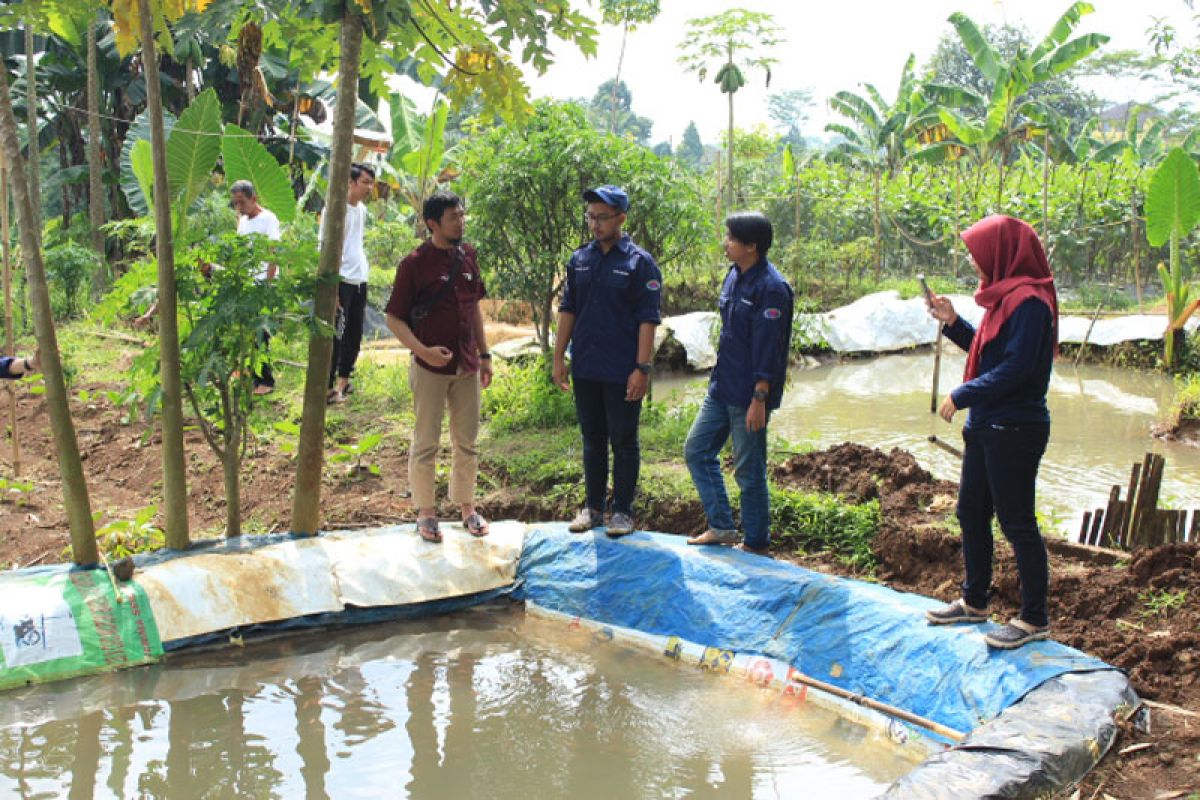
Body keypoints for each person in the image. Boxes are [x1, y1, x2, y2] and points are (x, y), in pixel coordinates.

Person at [924, 214, 1058, 650]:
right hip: (987, 424)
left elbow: (1016, 369)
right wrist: (953, 321)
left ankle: (1034, 617)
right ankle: (975, 600)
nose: (976, 266)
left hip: (1015, 427)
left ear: (1003, 255)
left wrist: (962, 394)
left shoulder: (1031, 303)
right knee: (970, 512)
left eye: (979, 258)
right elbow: (988, 351)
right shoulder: (1004, 301)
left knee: (1017, 521)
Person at [553, 185, 662, 537]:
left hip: (622, 368)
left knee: (624, 440)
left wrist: (641, 368)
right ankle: (594, 508)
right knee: (592, 438)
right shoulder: (580, 259)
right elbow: (568, 309)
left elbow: (648, 319)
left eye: (602, 218)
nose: (595, 224)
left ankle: (623, 512)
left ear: (621, 218)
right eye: (590, 217)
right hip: (586, 365)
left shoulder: (639, 263)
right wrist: (559, 357)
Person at [384, 192, 492, 543]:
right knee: (426, 440)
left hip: (468, 363)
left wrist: (485, 354)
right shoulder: (413, 264)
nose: (460, 221)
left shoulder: (469, 256)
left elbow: (474, 307)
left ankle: (467, 507)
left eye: (462, 215)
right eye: (452, 217)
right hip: (429, 368)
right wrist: (423, 351)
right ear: (433, 223)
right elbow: (394, 318)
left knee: (467, 441)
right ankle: (426, 513)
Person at [685, 212, 793, 557]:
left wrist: (759, 397)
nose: (725, 243)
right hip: (722, 387)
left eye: (731, 238)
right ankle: (721, 527)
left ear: (752, 246)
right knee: (696, 451)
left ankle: (757, 543)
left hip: (750, 394)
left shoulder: (772, 288)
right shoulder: (733, 277)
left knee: (748, 469)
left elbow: (770, 349)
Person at [325, 163, 375, 404]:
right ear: (350, 183)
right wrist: (332, 287)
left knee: (354, 333)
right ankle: (327, 386)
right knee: (336, 334)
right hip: (341, 279)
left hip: (359, 278)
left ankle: (343, 381)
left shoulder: (362, 210)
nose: (369, 187)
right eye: (365, 182)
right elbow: (324, 247)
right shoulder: (334, 210)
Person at [230, 180, 282, 395]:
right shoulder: (243, 221)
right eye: (235, 203)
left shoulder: (268, 219)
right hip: (248, 283)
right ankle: (252, 377)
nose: (239, 207)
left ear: (254, 198)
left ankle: (266, 381)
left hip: (263, 284)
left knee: (261, 335)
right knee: (249, 335)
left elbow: (274, 252)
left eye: (242, 202)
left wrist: (268, 286)